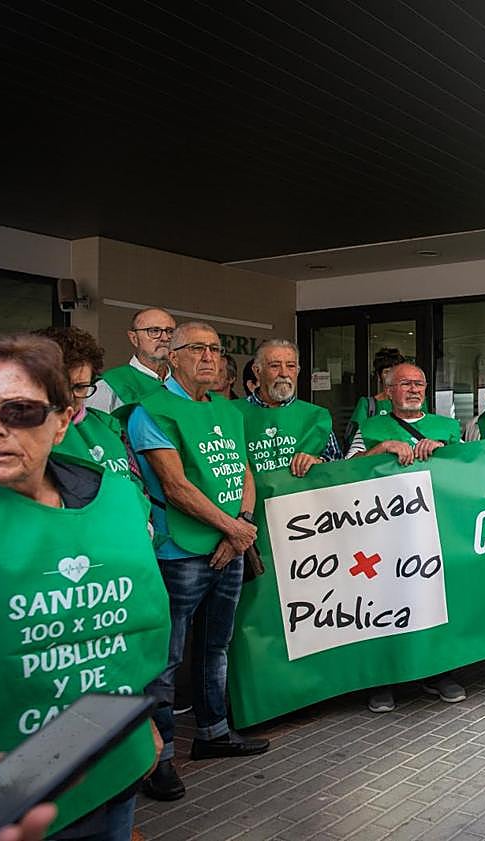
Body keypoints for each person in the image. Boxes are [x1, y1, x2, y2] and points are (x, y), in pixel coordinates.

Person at [0, 336, 169, 840]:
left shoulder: (113, 499)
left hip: (107, 757)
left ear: (64, 420)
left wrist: (142, 718)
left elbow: (137, 627)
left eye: (19, 411)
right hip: (7, 786)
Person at [126, 321, 268, 802]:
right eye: (197, 349)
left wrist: (242, 523)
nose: (210, 357)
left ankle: (214, 733)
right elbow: (175, 486)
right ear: (173, 355)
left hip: (230, 544)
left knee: (215, 646)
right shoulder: (151, 411)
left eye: (216, 349)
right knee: (166, 660)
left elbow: (242, 470)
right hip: (180, 551)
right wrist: (233, 530)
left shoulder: (227, 409)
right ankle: (158, 759)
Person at [348, 363, 468, 711]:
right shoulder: (370, 427)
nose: (414, 390)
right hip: (383, 535)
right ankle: (385, 679)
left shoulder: (447, 428)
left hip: (437, 530)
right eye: (405, 384)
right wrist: (382, 447)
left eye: (419, 384)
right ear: (388, 391)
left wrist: (444, 452)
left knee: (435, 600)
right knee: (386, 603)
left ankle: (440, 671)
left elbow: (468, 471)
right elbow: (345, 469)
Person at [33, 326, 140, 484]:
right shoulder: (23, 433)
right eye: (60, 387)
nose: (68, 398)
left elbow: (136, 488)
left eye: (80, 387)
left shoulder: (109, 425)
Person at [232, 339, 340, 477]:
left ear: (298, 371)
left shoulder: (317, 416)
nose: (284, 373)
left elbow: (338, 467)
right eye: (275, 366)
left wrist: (319, 463)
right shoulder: (231, 413)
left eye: (291, 366)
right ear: (257, 371)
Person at [86, 307, 176, 416]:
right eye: (154, 331)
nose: (165, 337)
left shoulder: (183, 383)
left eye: (170, 331)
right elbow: (95, 430)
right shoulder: (110, 384)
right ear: (134, 338)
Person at [345, 346, 407, 445]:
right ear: (379, 376)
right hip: (378, 457)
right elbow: (357, 440)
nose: (392, 376)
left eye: (395, 372)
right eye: (387, 372)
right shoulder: (368, 404)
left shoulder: (414, 403)